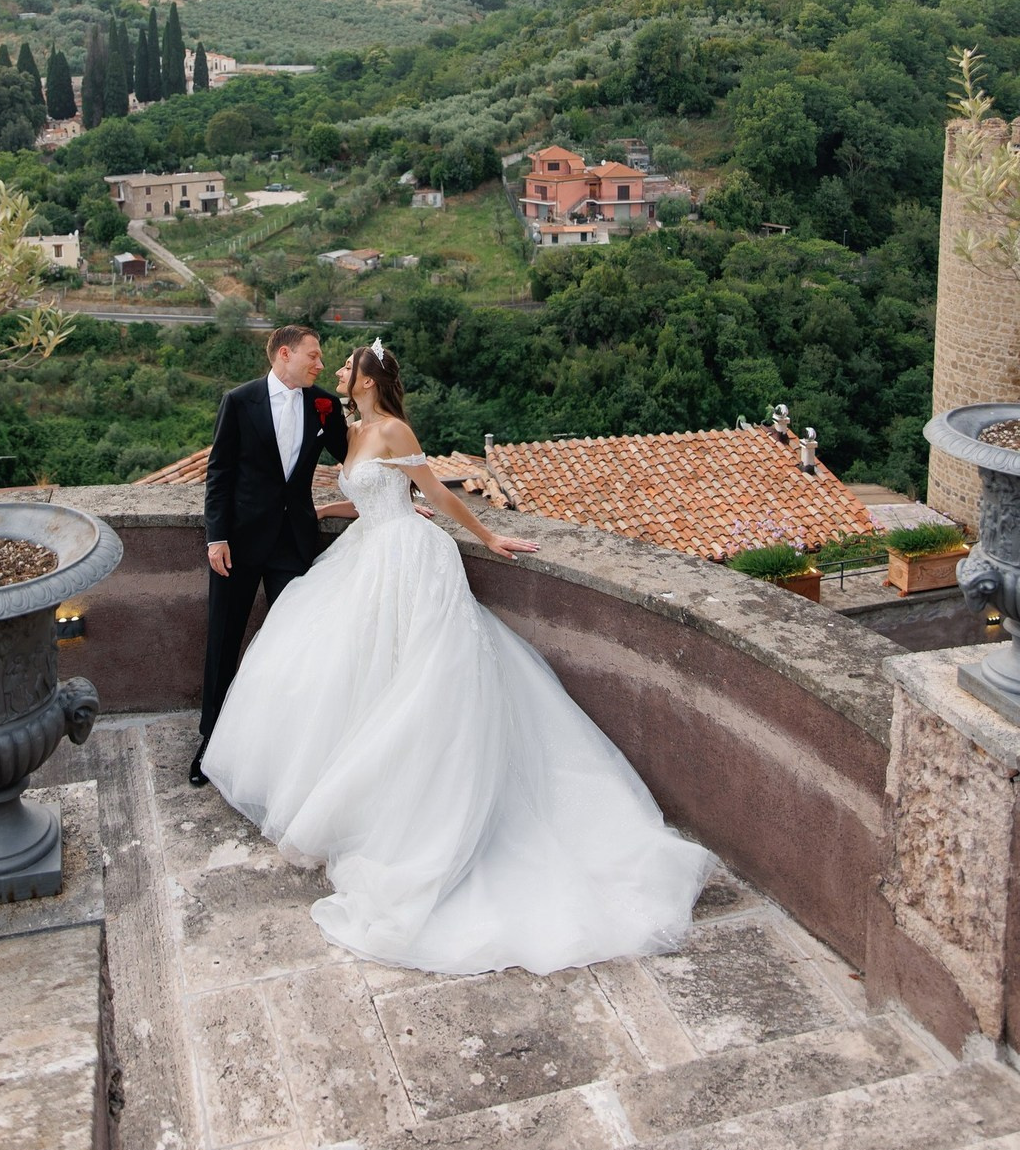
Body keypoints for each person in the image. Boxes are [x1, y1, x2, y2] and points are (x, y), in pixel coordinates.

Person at [202, 339, 712, 975]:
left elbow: (434, 496)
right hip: (366, 553)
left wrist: (489, 534)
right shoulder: (351, 428)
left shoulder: (394, 428)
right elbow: (369, 498)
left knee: (416, 679)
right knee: (346, 671)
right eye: (324, 360)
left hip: (409, 560)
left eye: (345, 365)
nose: (333, 370)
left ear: (367, 378)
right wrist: (325, 508)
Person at [193, 324, 351, 787]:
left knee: (295, 643)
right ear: (285, 354)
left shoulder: (324, 404)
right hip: (237, 545)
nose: (320, 364)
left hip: (293, 542)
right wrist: (216, 536)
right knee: (224, 640)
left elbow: (354, 459)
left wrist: (399, 493)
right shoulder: (239, 401)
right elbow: (218, 474)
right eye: (314, 356)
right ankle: (209, 743)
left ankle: (282, 750)